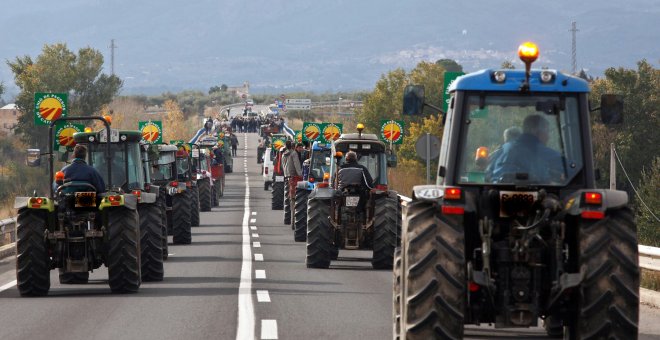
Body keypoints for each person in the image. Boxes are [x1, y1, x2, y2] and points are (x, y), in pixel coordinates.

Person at [490, 114, 563, 183]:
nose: (548, 137)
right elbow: (569, 170)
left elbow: (488, 174)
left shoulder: (502, 149)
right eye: (547, 131)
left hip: (496, 192)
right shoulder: (541, 152)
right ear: (534, 130)